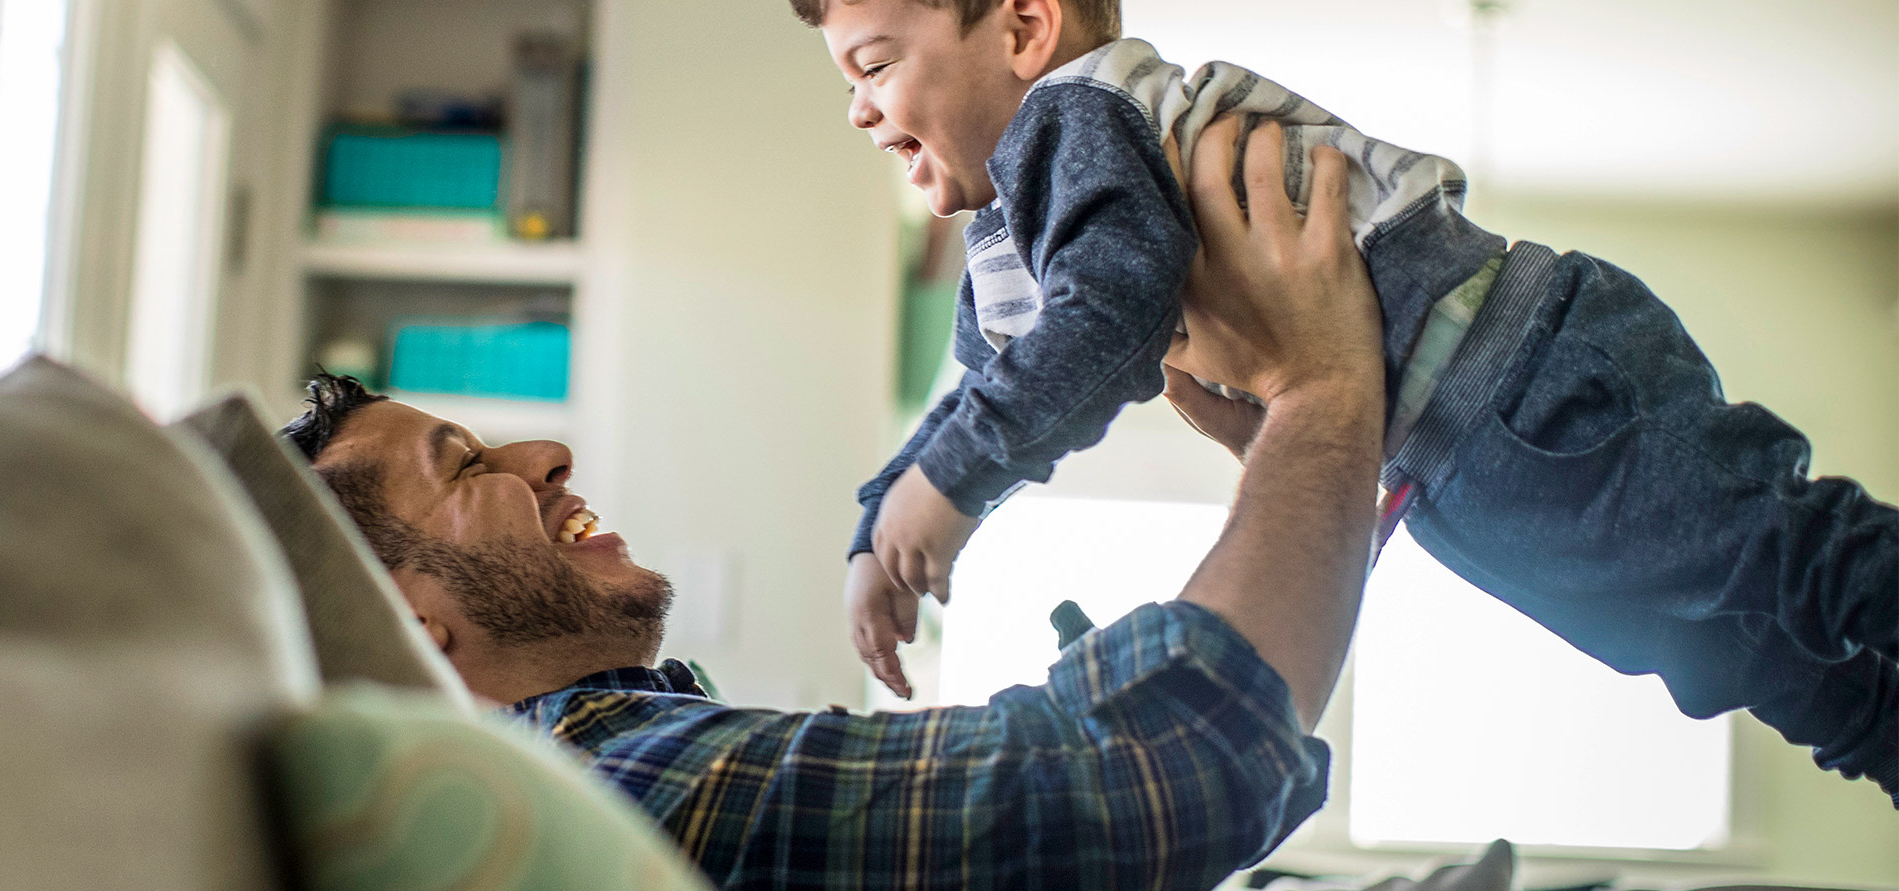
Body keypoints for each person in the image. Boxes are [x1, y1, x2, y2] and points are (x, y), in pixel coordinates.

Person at [281, 116, 1383, 891]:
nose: (547, 454)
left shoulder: (621, 779)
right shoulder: (627, 790)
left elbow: (1182, 760)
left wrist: (1314, 470)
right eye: (468, 466)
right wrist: (1326, 394)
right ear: (406, 632)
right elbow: (1164, 773)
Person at [803, 0, 1899, 797]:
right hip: (1459, 452)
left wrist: (947, 486)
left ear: (1025, 28)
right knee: (1730, 651)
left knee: (1791, 559)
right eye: (846, 82)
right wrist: (883, 518)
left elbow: (1110, 320)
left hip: (1523, 378)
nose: (857, 109)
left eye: (876, 63)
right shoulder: (1011, 216)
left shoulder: (1073, 121)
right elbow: (989, 383)